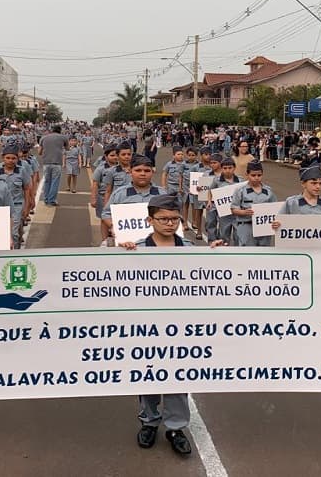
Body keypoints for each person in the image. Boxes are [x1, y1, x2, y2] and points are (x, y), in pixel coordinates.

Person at [116, 194, 225, 456]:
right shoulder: (137, 248)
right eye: (163, 219)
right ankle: (149, 421)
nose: (169, 223)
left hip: (179, 326)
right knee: (148, 374)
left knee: (177, 376)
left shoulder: (187, 248)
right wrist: (119, 254)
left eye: (174, 219)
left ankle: (176, 427)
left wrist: (217, 254)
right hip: (146, 326)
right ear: (149, 220)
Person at [230, 160, 279, 246]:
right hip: (246, 226)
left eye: (259, 175)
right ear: (247, 174)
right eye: (253, 175)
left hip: (264, 227)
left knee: (263, 252)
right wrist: (243, 212)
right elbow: (234, 209)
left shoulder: (268, 191)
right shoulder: (240, 191)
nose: (256, 177)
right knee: (248, 253)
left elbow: (275, 209)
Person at [0, 144, 32, 248]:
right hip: (0, 207)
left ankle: (15, 253)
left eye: (13, 158)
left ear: (17, 159)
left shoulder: (21, 171)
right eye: (8, 158)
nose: (10, 160)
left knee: (14, 234)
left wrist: (27, 207)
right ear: (3, 158)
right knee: (1, 233)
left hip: (17, 206)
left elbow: (26, 188)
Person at [38, 125, 68, 206]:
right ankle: (51, 200)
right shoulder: (63, 138)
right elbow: (67, 148)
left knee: (47, 181)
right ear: (60, 130)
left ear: (52, 130)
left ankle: (46, 199)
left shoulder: (44, 138)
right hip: (57, 162)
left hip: (46, 162)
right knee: (55, 182)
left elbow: (39, 152)